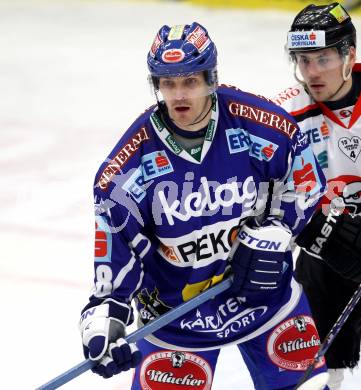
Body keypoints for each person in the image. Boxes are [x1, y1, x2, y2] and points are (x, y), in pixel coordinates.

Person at [79, 22, 329, 389]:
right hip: (176, 321)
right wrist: (105, 320)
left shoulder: (263, 126)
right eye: (168, 83)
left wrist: (277, 231)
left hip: (266, 300)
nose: (179, 95)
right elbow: (115, 257)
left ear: (211, 79)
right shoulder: (124, 175)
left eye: (190, 81)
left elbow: (305, 183)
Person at [272, 3, 361, 389]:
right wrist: (318, 233)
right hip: (324, 255)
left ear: (349, 55)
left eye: (322, 58)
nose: (311, 72)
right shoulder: (283, 113)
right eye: (303, 60)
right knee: (325, 371)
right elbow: (265, 197)